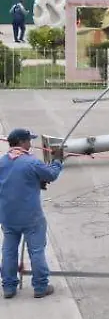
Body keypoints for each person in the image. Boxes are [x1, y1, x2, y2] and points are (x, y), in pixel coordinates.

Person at [0, 128, 64, 299]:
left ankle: (8, 287)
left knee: (8, 250)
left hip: (7, 216)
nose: (31, 143)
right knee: (36, 250)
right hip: (31, 216)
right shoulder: (31, 162)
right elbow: (51, 174)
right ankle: (40, 286)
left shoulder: (2, 162)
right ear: (21, 142)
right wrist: (57, 161)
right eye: (29, 140)